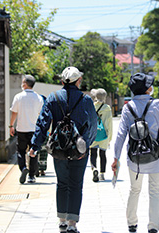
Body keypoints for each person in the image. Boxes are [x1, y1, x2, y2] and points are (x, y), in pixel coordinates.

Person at [29, 66, 97, 233]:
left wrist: (34, 146)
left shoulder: (53, 98)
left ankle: (62, 221)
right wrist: (85, 145)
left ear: (62, 81)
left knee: (62, 184)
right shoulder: (86, 100)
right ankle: (72, 224)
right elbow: (93, 125)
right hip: (78, 150)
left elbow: (42, 123)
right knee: (76, 185)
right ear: (78, 81)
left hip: (58, 148)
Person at [111, 73, 159, 233]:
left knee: (134, 189)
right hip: (156, 155)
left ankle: (132, 224)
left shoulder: (128, 107)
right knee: (154, 190)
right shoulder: (158, 104)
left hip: (135, 157)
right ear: (147, 89)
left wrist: (116, 157)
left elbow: (121, 134)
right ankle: (153, 226)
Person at [9, 75, 44, 184]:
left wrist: (11, 126)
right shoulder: (38, 98)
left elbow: (14, 112)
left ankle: (23, 168)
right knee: (33, 152)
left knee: (21, 151)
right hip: (34, 129)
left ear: (25, 84)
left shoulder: (18, 97)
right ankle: (32, 176)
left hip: (21, 129)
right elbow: (41, 114)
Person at [89, 88, 113, 182]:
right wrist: (109, 137)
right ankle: (102, 174)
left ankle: (94, 168)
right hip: (104, 135)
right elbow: (109, 124)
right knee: (103, 154)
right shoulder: (107, 108)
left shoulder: (91, 106)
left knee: (93, 153)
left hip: (93, 134)